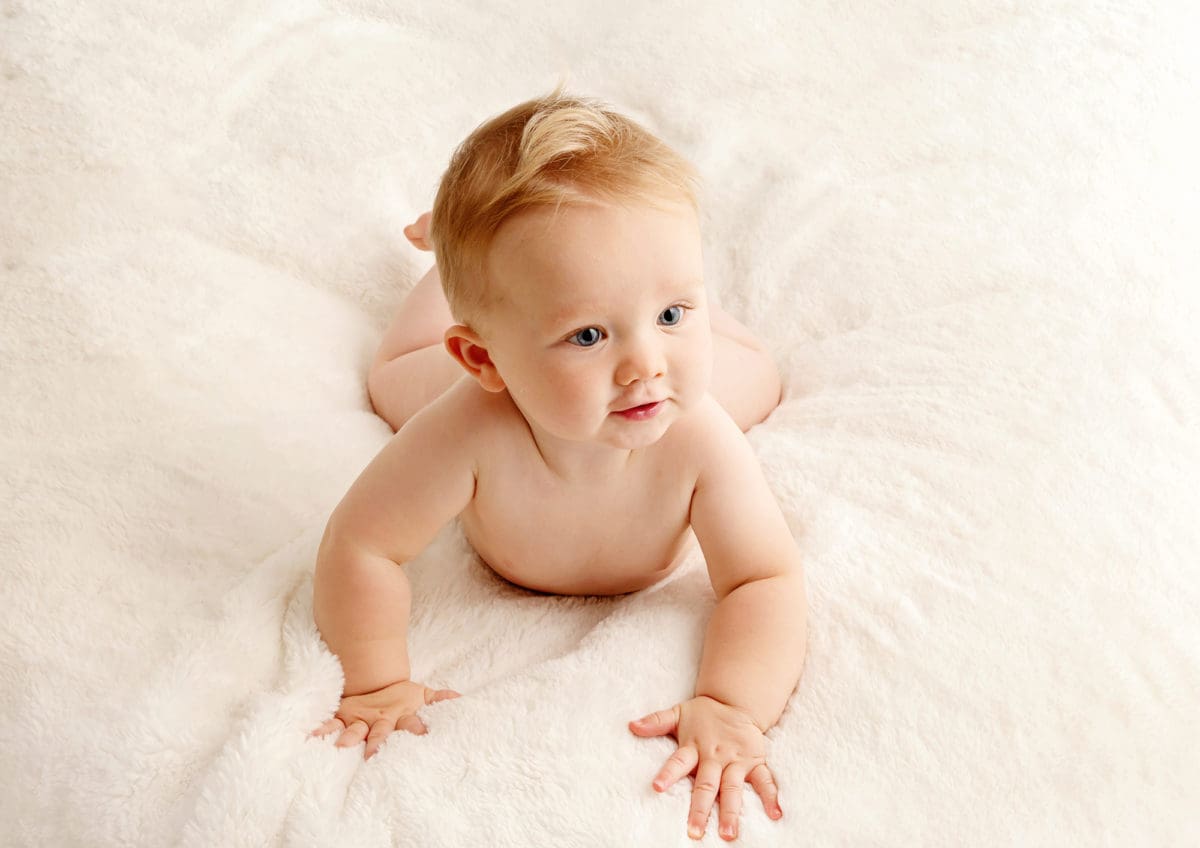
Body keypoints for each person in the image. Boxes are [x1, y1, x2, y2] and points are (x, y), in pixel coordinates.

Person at [311, 85, 808, 843]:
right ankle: (452, 260)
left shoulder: (697, 437)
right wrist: (377, 680)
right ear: (483, 358)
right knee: (393, 380)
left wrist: (733, 705)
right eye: (587, 336)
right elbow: (364, 545)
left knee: (757, 380)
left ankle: (625, 294)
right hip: (473, 376)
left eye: (675, 315)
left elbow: (764, 578)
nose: (644, 367)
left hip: (663, 394)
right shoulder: (465, 428)